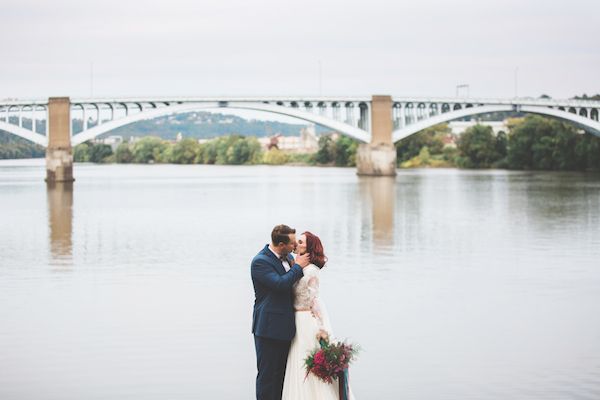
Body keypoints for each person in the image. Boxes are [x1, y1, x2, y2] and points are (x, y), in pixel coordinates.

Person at [282, 231, 355, 400]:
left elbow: (315, 301)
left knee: (305, 360)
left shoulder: (312, 271)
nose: (296, 243)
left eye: (300, 241)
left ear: (308, 248)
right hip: (295, 319)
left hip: (306, 320)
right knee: (296, 361)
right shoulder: (295, 266)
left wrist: (322, 328)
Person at [251, 224, 311, 400]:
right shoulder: (260, 262)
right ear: (281, 244)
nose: (295, 247)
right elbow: (280, 284)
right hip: (268, 329)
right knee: (268, 377)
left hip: (286, 328)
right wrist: (298, 267)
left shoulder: (289, 258)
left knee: (283, 376)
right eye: (292, 243)